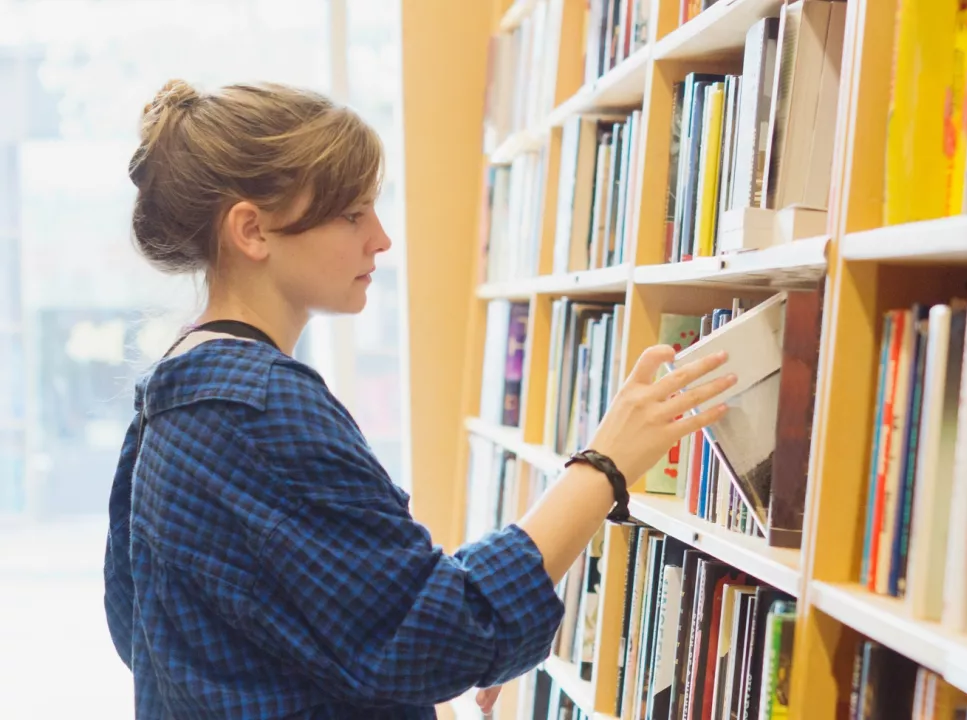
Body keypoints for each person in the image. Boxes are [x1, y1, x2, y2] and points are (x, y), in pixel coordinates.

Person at [104, 79, 735, 719]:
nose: (380, 238)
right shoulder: (259, 407)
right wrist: (604, 465)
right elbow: (446, 634)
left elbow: (151, 626)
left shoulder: (171, 394)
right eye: (352, 214)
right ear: (252, 229)